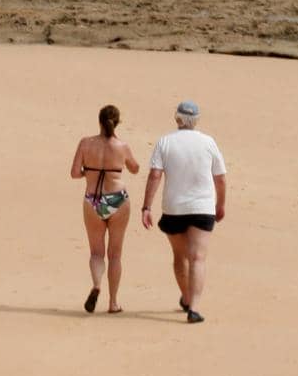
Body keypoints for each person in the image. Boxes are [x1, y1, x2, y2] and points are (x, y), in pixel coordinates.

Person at [141, 100, 227, 324]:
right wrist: (221, 204)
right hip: (202, 207)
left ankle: (187, 298)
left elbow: (155, 175)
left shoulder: (165, 141)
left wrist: (147, 206)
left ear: (177, 118)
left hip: (174, 207)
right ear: (196, 120)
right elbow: (220, 178)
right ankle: (194, 308)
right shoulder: (208, 142)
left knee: (180, 256)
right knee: (198, 258)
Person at [70, 104, 140, 314]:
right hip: (117, 199)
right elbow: (135, 168)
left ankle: (97, 285)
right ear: (116, 123)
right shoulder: (122, 146)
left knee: (96, 252)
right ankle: (113, 302)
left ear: (99, 121)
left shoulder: (85, 143)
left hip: (93, 200)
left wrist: (88, 174)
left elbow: (74, 173)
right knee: (115, 254)